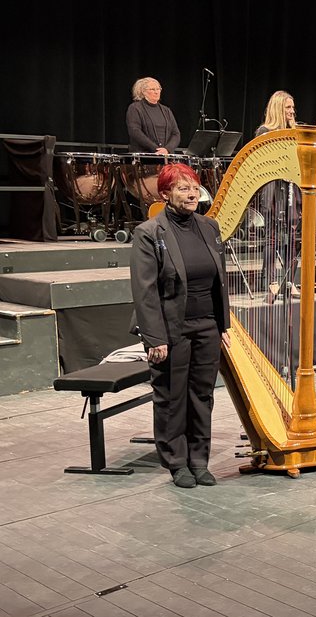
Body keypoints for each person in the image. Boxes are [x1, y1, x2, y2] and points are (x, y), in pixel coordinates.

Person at [129, 163, 229, 488]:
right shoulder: (149, 233)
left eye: (194, 187)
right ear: (165, 193)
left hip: (207, 325)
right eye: (183, 188)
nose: (191, 194)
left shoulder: (209, 227)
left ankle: (199, 460)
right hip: (171, 329)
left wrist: (223, 325)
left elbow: (220, 283)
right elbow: (144, 291)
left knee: (202, 395)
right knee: (172, 397)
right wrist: (155, 338)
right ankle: (177, 463)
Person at [255, 91, 300, 299]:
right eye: (287, 108)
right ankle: (272, 281)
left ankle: (289, 281)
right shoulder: (265, 131)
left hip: (292, 188)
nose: (291, 111)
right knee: (272, 236)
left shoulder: (295, 131)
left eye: (292, 107)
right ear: (277, 109)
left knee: (292, 236)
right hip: (274, 188)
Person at [126, 77, 180, 155]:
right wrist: (156, 149)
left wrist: (167, 149)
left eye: (158, 89)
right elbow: (135, 132)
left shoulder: (166, 110)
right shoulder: (135, 108)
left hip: (166, 156)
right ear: (143, 92)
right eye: (152, 89)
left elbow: (176, 134)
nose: (156, 92)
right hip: (144, 156)